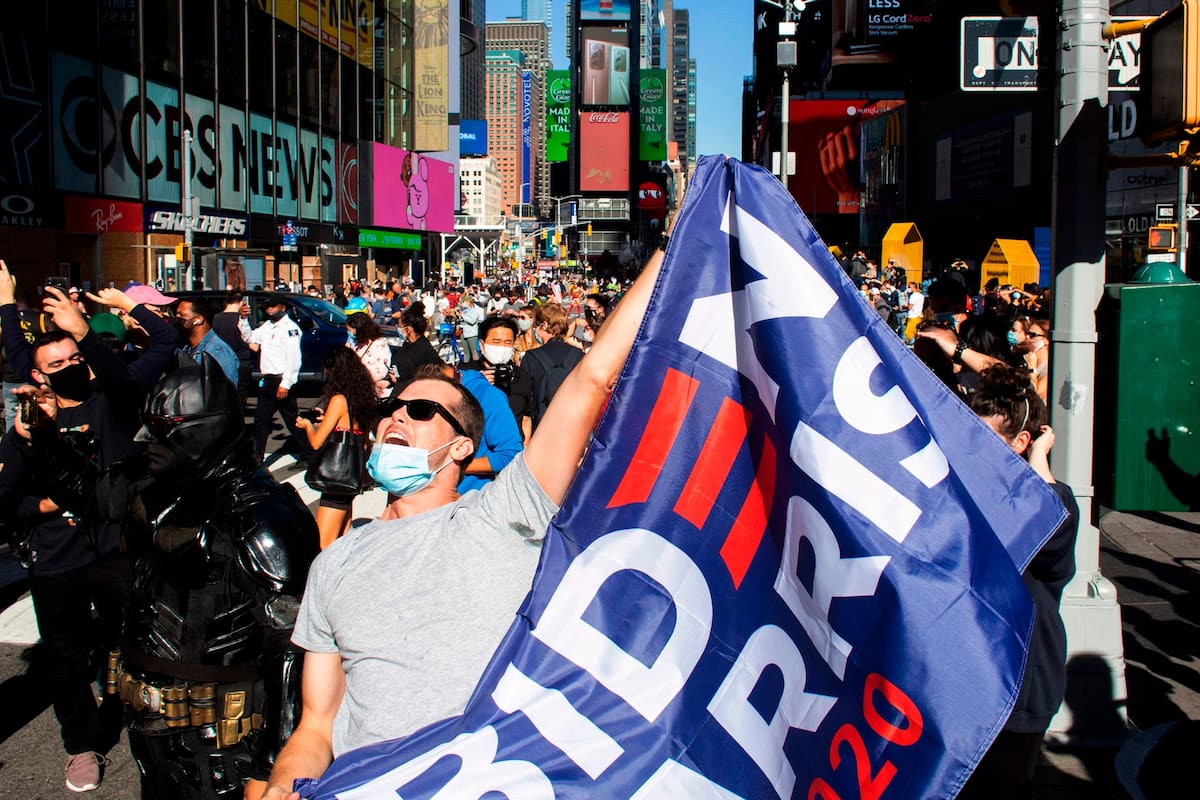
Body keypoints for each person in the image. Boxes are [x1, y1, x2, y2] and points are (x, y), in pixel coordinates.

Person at [260, 251, 664, 800]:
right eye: (393, 408)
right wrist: (285, 782)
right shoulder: (333, 564)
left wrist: (673, 239)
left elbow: (593, 379)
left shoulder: (502, 514)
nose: (397, 415)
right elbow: (315, 726)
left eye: (421, 411)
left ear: (460, 448)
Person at [0, 263, 175, 794]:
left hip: (117, 551)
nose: (71, 368)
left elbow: (144, 361)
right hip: (56, 559)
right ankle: (82, 744)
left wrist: (104, 318)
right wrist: (48, 502)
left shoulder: (109, 404)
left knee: (138, 644)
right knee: (65, 659)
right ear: (38, 376)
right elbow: (7, 502)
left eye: (76, 358)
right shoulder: (30, 424)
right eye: (57, 364)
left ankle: (149, 724)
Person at [959, 366, 1078, 800]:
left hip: (1022, 681)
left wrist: (1039, 458)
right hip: (973, 677)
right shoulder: (967, 492)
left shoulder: (1052, 502)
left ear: (1020, 441)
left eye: (984, 436)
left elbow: (1049, 522)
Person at [297, 348, 377, 548]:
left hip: (335, 479)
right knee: (342, 540)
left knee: (323, 546)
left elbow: (317, 442)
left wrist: (307, 426)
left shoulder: (339, 400)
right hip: (351, 478)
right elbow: (356, 433)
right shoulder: (361, 401)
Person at [247, 295, 304, 462]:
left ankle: (310, 453)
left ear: (282, 308)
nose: (269, 310)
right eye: (267, 307)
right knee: (260, 421)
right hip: (268, 380)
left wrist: (286, 384)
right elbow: (250, 338)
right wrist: (243, 320)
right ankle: (257, 458)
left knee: (291, 420)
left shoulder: (290, 329)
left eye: (273, 306)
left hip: (281, 380)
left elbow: (294, 359)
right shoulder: (267, 326)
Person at [460, 316, 533, 436]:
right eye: (496, 342)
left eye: (508, 342)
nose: (502, 347)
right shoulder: (467, 373)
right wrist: (478, 385)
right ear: (482, 344)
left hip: (514, 445)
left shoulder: (521, 376)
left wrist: (526, 445)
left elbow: (526, 418)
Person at [522, 302, 584, 432]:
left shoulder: (531, 357)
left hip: (542, 428)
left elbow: (526, 400)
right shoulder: (579, 355)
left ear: (544, 325)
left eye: (537, 325)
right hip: (574, 427)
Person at [176, 296, 241, 389]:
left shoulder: (217, 351)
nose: (177, 318)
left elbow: (226, 390)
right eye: (176, 314)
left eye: (181, 315)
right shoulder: (186, 348)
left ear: (198, 320)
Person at [212, 290, 255, 402]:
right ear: (242, 303)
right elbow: (254, 346)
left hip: (220, 362)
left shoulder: (215, 319)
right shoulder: (243, 320)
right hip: (242, 363)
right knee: (239, 399)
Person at [388, 301, 443, 387]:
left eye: (400, 326)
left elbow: (417, 381)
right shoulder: (410, 345)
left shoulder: (421, 351)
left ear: (408, 329)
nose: (398, 329)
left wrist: (397, 381)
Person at [344, 310, 392, 397]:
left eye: (350, 330)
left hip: (372, 393)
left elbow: (378, 373)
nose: (349, 333)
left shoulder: (379, 346)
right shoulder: (357, 344)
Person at [457, 292, 485, 362]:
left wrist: (462, 316)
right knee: (466, 351)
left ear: (469, 302)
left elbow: (472, 321)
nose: (462, 303)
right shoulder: (464, 311)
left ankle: (476, 364)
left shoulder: (474, 311)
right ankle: (466, 363)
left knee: (474, 351)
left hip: (471, 334)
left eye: (464, 301)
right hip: (463, 333)